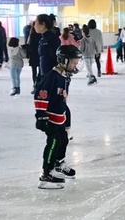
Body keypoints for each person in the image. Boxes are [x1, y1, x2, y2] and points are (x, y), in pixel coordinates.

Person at [34, 45, 81, 189]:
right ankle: (46, 173)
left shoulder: (65, 76)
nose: (75, 64)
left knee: (63, 140)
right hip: (51, 118)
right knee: (53, 142)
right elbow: (41, 95)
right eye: (73, 62)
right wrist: (41, 116)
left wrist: (67, 117)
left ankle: (58, 164)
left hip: (60, 117)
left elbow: (62, 98)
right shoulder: (52, 77)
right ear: (63, 60)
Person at [26, 24, 41, 94]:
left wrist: (28, 54)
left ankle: (35, 86)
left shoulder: (32, 35)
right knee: (40, 72)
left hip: (34, 55)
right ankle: (39, 85)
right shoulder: (41, 35)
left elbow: (29, 45)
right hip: (39, 55)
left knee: (34, 72)